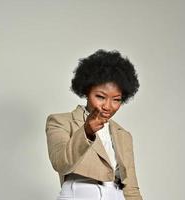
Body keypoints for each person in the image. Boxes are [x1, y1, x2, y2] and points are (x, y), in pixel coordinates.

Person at [45, 49, 143, 200]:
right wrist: (86, 131)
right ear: (86, 91)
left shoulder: (123, 135)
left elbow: (130, 188)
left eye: (116, 99)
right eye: (100, 96)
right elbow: (61, 163)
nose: (108, 106)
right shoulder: (60, 122)